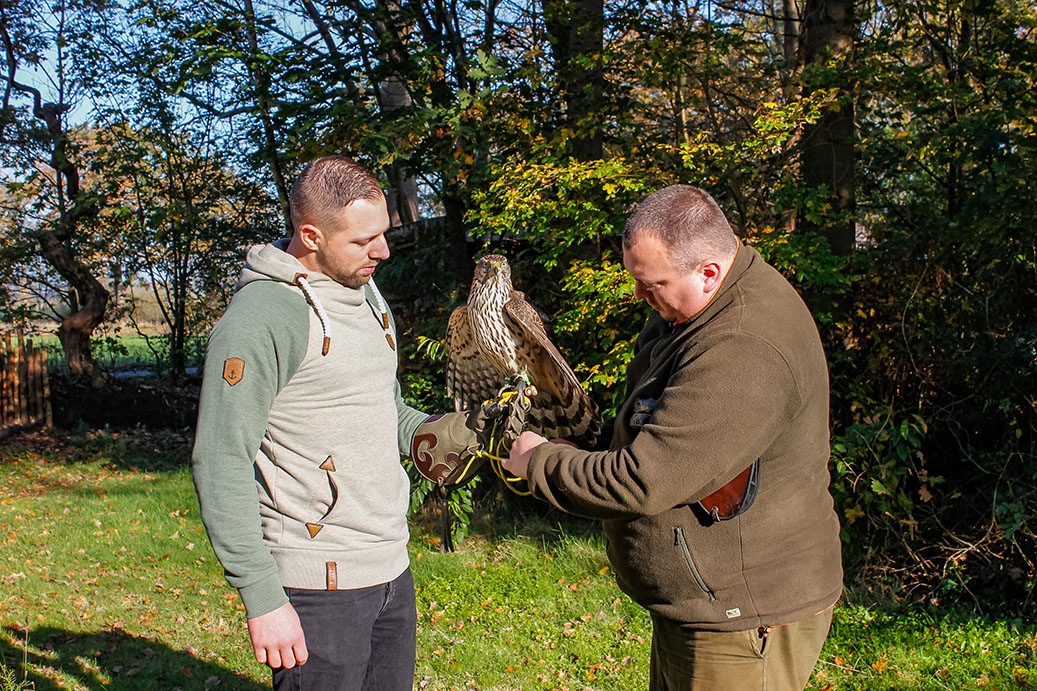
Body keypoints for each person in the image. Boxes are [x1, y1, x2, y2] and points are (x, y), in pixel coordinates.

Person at [503, 185, 843, 690]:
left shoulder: (743, 345)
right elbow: (652, 430)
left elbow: (645, 480)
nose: (639, 296)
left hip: (743, 616)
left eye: (652, 284)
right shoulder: (693, 312)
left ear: (708, 272)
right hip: (702, 603)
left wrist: (540, 462)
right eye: (636, 281)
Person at [191, 155, 499, 690]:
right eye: (362, 241)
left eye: (381, 233)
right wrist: (262, 596)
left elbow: (384, 407)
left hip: (389, 566)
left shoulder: (367, 292)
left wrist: (445, 432)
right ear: (310, 235)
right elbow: (220, 460)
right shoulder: (261, 318)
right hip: (316, 586)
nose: (381, 250)